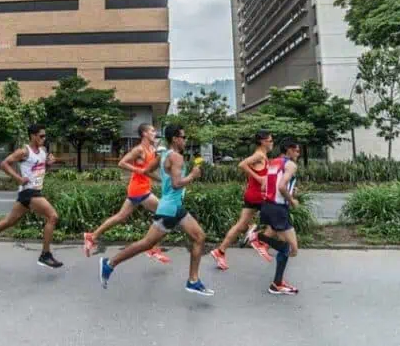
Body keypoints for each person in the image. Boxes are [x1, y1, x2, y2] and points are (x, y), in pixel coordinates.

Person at [99, 125, 214, 297]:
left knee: (196, 237)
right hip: (171, 208)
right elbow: (177, 184)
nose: (185, 140)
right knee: (149, 243)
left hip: (171, 207)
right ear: (175, 139)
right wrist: (192, 175)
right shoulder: (176, 157)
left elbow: (146, 171)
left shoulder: (163, 155)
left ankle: (193, 281)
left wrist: (164, 180)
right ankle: (110, 263)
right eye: (183, 137)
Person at [0, 124, 63, 269]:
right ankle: (45, 255)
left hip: (34, 191)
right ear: (33, 136)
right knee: (53, 217)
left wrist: (49, 164)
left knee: (9, 222)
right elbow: (4, 164)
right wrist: (18, 178)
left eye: (45, 136)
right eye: (41, 136)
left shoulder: (43, 151)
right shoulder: (24, 151)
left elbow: (40, 169)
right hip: (29, 191)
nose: (44, 139)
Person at [83, 124, 170, 264]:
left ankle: (92, 236)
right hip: (140, 189)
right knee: (165, 213)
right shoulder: (139, 149)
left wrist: (162, 178)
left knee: (121, 216)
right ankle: (152, 248)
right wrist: (138, 170)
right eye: (152, 131)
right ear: (144, 133)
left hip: (139, 188)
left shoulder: (152, 149)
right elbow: (122, 163)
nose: (155, 133)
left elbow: (148, 171)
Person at [210, 130, 273, 270]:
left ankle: (220, 251)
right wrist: (259, 178)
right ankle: (257, 238)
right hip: (258, 195)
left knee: (240, 225)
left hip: (252, 194)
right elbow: (242, 164)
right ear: (262, 141)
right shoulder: (259, 155)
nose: (272, 143)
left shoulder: (262, 156)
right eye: (270, 141)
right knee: (277, 221)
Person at [246, 138, 301, 295]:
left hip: (268, 206)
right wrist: (292, 200)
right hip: (278, 209)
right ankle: (257, 237)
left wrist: (289, 190)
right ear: (289, 149)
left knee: (284, 248)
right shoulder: (290, 165)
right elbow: (281, 186)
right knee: (292, 249)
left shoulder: (272, 162)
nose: (298, 154)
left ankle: (277, 284)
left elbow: (265, 185)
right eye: (297, 150)